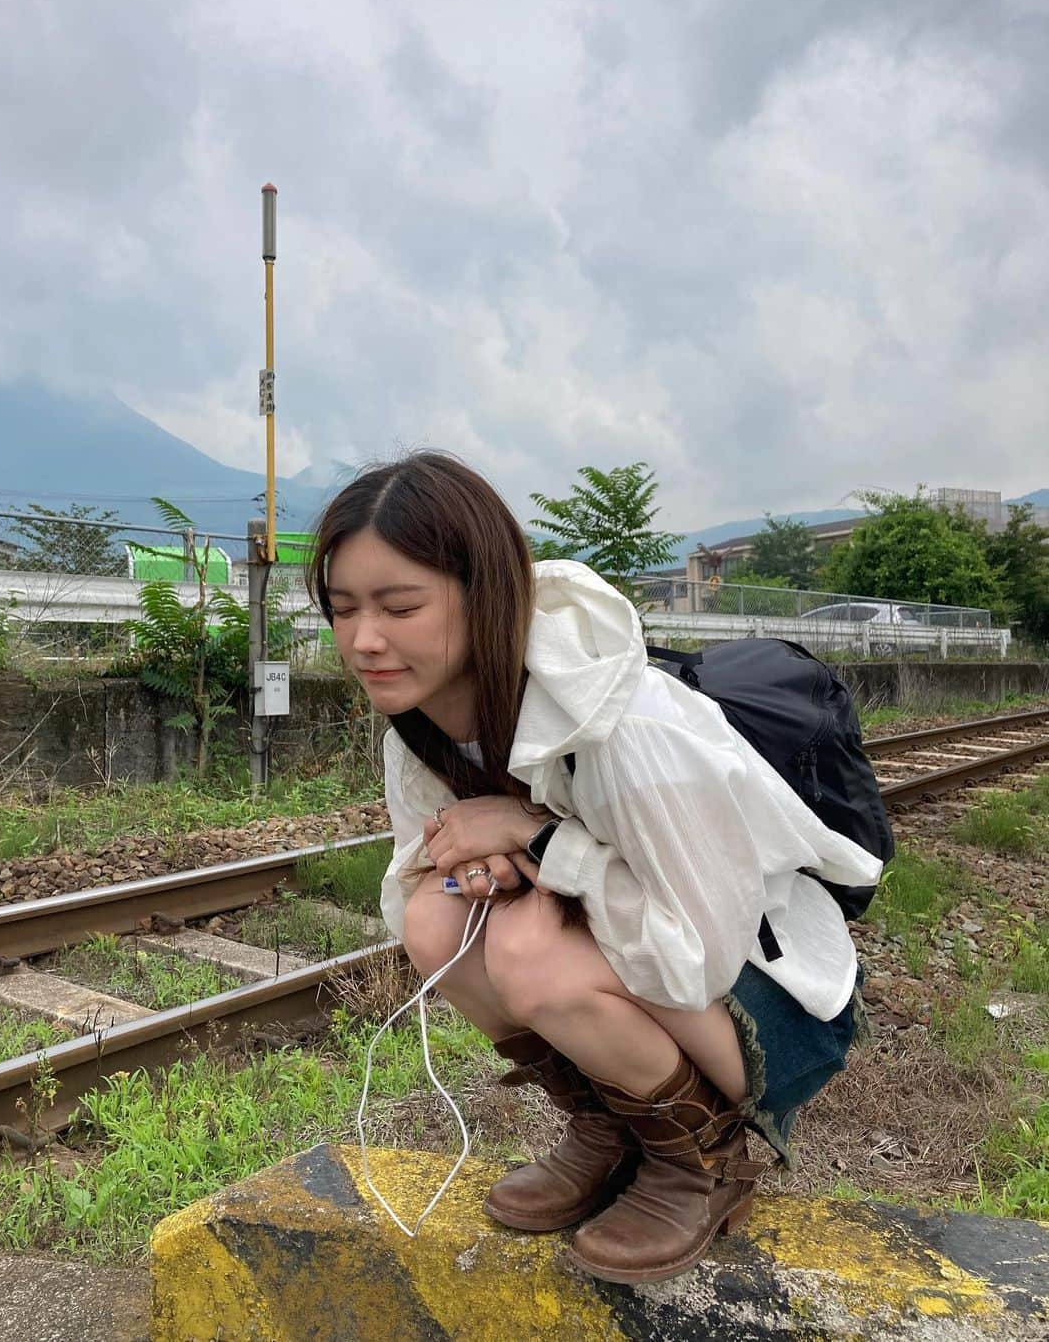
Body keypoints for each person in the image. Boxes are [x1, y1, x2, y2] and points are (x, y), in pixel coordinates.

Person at [306, 451, 881, 1285]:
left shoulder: (624, 725)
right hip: (661, 978)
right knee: (437, 918)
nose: (364, 639)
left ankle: (702, 1161)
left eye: (401, 605)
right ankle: (613, 1128)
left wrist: (539, 844)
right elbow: (425, 877)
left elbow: (694, 956)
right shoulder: (422, 727)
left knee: (527, 952)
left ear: (485, 593)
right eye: (342, 608)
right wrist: (490, 869)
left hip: (769, 1002)